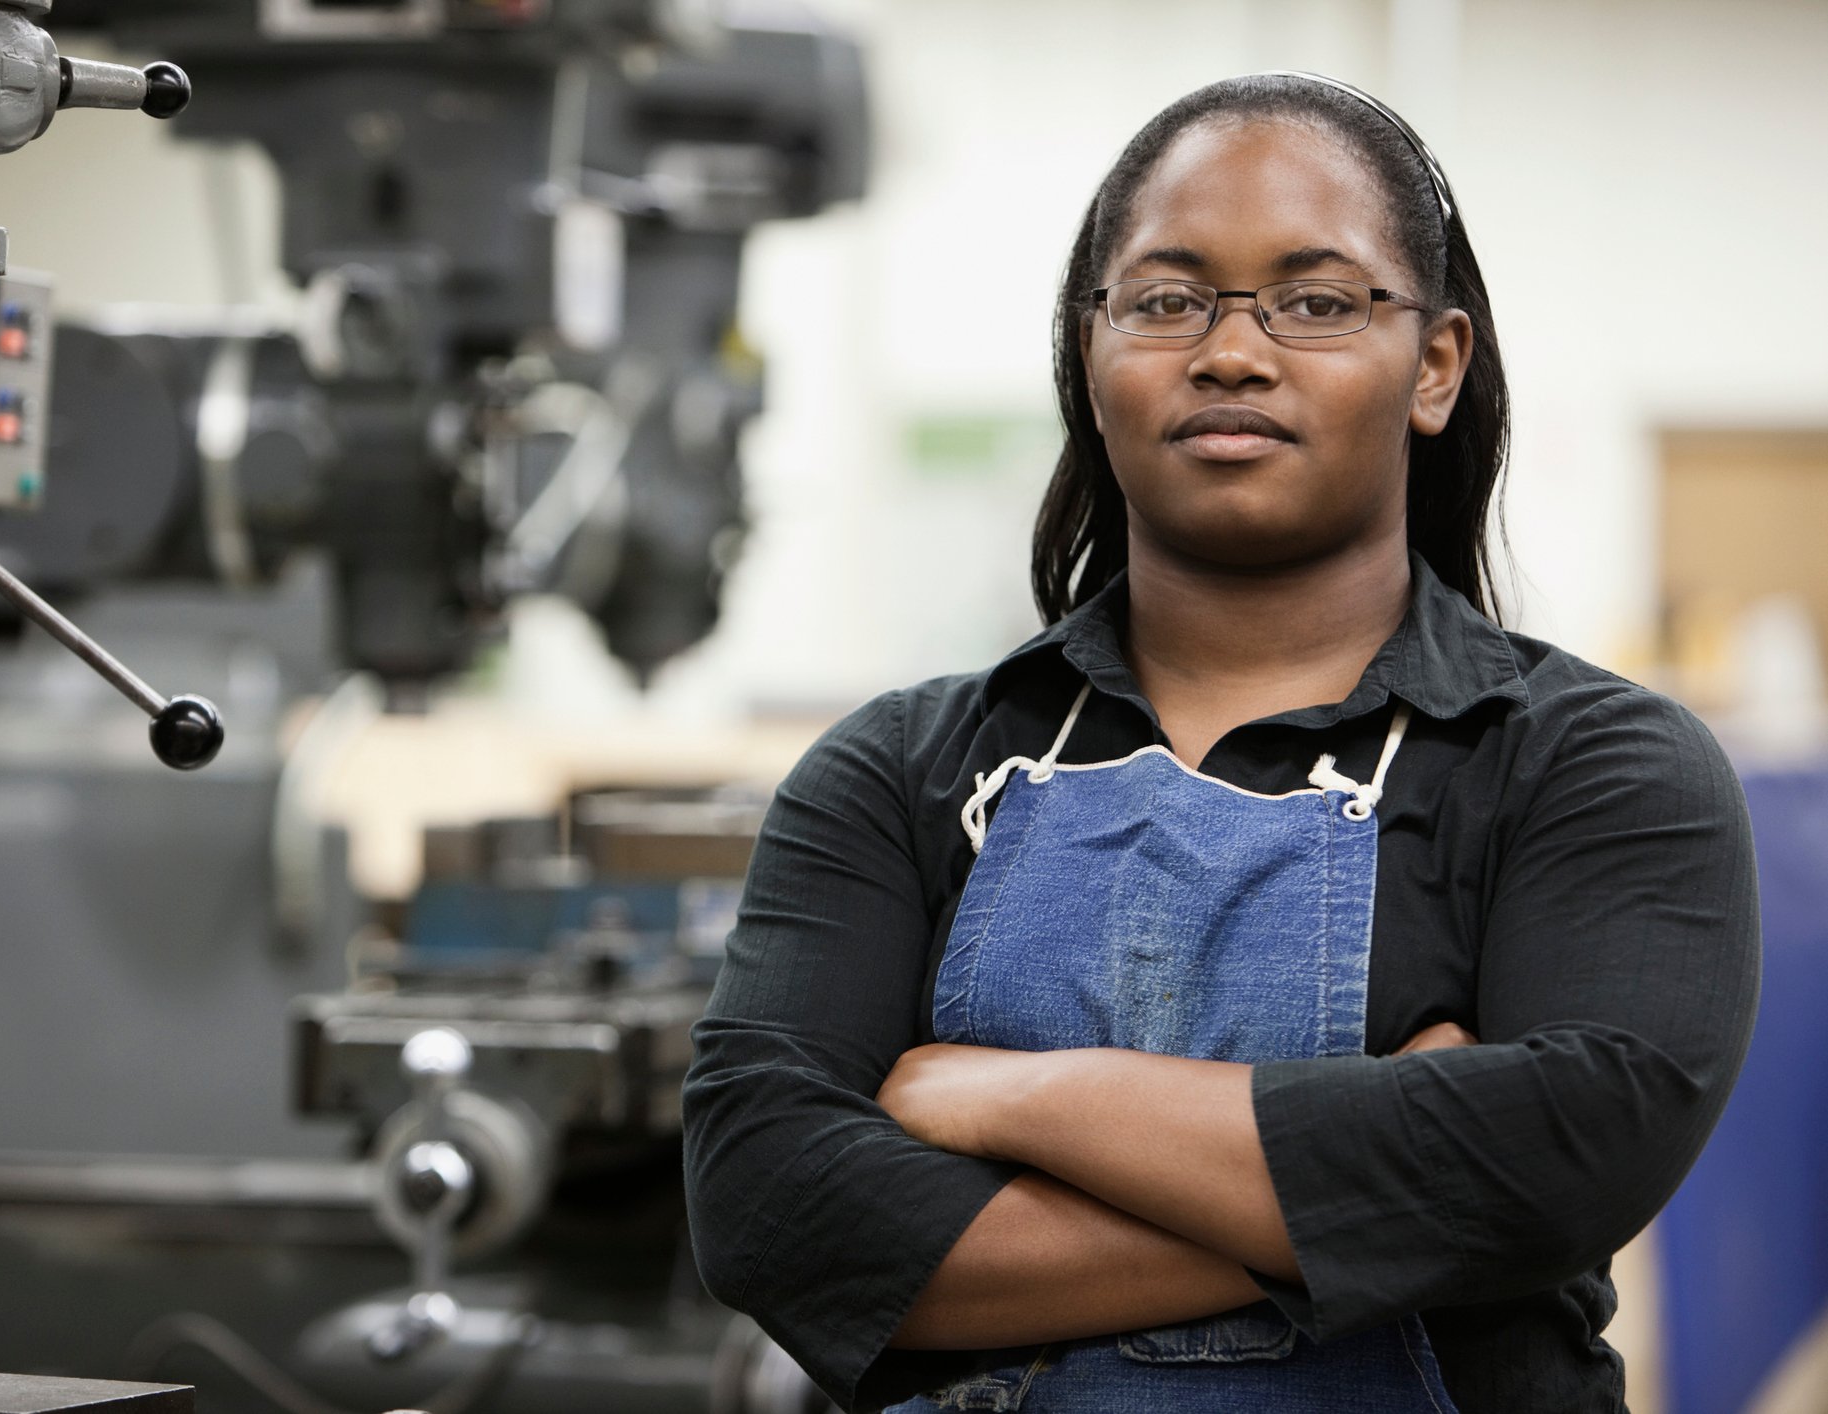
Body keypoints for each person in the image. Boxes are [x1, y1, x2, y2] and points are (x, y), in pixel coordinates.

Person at [680, 72, 1761, 1414]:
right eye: (1166, 298)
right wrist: (1365, 1179)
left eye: (1313, 300)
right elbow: (769, 1206)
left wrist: (1018, 1099)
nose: (1230, 351)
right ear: (1091, 350)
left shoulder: (1585, 765)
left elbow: (1556, 1153)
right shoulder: (899, 767)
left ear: (1433, 364)